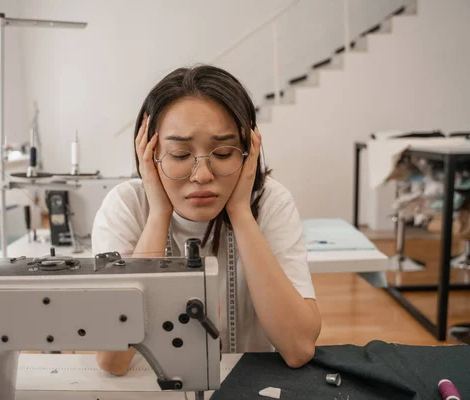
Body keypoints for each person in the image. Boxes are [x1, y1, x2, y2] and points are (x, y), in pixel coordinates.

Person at [91, 64, 321, 376]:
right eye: (180, 155)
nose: (202, 175)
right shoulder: (127, 206)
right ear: (149, 153)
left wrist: (240, 212)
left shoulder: (269, 203)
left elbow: (298, 348)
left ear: (249, 151)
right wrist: (159, 214)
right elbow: (111, 360)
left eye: (224, 153)